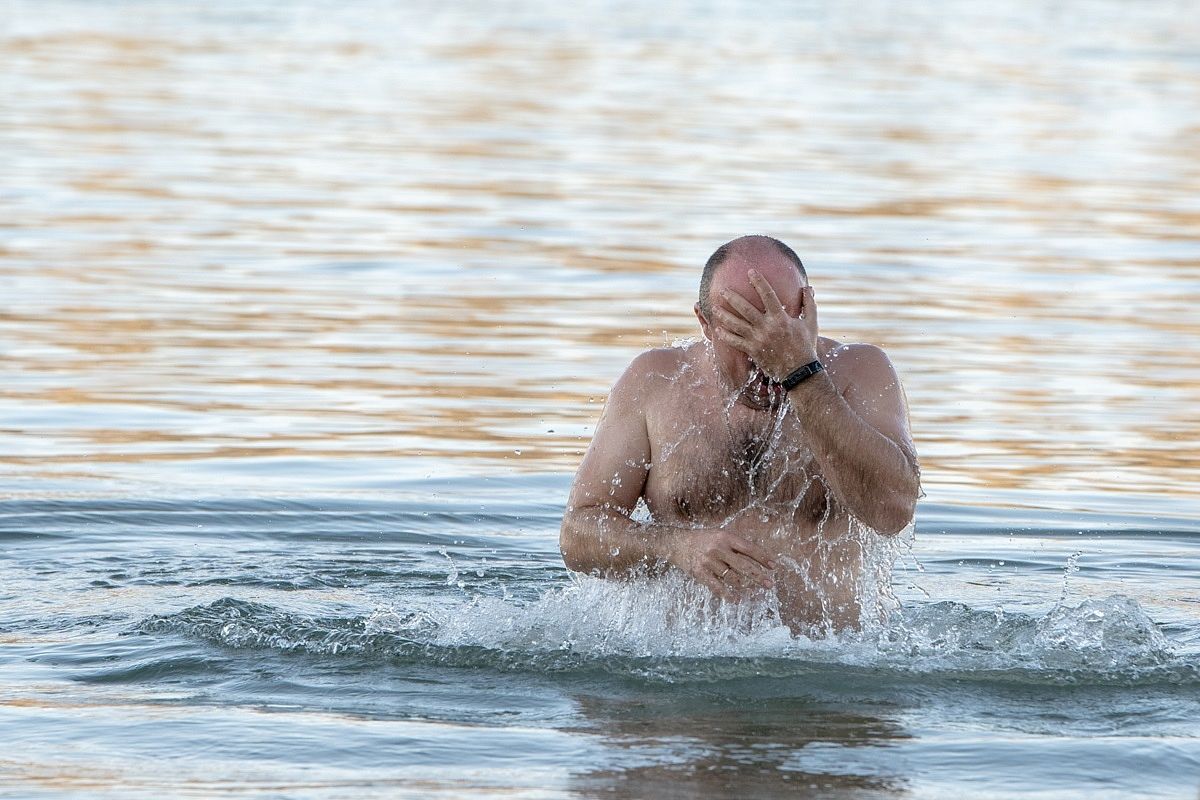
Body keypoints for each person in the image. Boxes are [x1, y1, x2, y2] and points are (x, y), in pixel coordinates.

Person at [558, 235, 920, 634]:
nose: (766, 353)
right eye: (744, 332)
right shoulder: (655, 383)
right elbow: (578, 534)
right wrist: (677, 547)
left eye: (783, 328)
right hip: (687, 669)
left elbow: (892, 513)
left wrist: (802, 373)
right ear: (705, 324)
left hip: (829, 664)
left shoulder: (860, 373)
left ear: (810, 313)